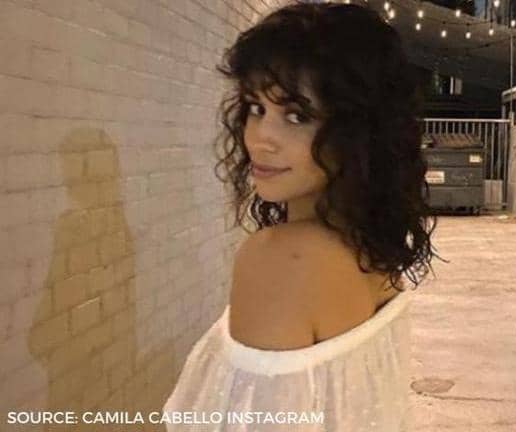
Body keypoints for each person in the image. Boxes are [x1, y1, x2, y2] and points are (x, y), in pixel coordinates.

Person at [162, 2, 443, 430]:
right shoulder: (370, 246)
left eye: (297, 116)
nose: (261, 138)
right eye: (256, 108)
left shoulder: (283, 258)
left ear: (357, 132)